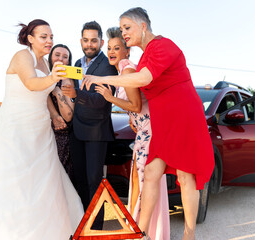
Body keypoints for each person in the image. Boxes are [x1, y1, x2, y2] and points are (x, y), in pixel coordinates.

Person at [82, 8, 215, 240]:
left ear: (143, 26)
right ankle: (140, 233)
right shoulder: (145, 55)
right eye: (121, 28)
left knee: (185, 176)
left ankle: (189, 234)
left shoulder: (163, 46)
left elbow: (144, 79)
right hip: (163, 121)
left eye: (127, 28)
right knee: (152, 172)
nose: (123, 33)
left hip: (183, 116)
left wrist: (102, 79)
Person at [0, 19, 84, 239]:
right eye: (43, 36)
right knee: (13, 176)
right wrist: (53, 78)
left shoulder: (46, 64)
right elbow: (30, 83)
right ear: (30, 38)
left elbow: (45, 92)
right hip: (16, 127)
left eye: (51, 37)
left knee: (44, 178)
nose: (49, 41)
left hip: (40, 128)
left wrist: (56, 111)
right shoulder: (22, 56)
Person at [94, 26, 170, 240]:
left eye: (117, 48)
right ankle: (139, 227)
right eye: (109, 48)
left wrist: (110, 99)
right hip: (144, 130)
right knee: (140, 180)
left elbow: (136, 105)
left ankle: (138, 229)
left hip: (149, 132)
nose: (111, 51)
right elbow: (137, 106)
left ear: (127, 51)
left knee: (142, 181)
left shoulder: (127, 70)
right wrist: (130, 116)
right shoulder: (125, 70)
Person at [61, 21, 118, 230]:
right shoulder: (76, 63)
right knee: (80, 178)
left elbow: (103, 101)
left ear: (101, 42)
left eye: (94, 40)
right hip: (77, 129)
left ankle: (98, 223)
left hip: (97, 130)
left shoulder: (108, 66)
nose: (89, 44)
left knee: (95, 179)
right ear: (81, 41)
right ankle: (85, 217)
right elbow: (73, 96)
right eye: (86, 40)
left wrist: (77, 94)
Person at [47, 44, 75, 178]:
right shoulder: (43, 76)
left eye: (65, 57)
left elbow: (68, 116)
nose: (60, 59)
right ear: (50, 57)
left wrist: (58, 93)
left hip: (60, 135)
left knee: (56, 176)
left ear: (68, 62)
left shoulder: (67, 81)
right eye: (57, 55)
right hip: (41, 131)